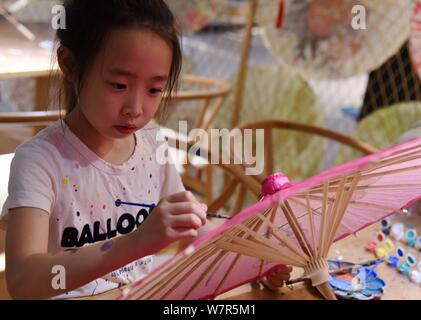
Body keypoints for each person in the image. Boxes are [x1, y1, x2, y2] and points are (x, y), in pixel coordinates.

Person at [0, 0, 291, 299]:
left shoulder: (151, 143)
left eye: (154, 90)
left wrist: (257, 258)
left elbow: (192, 231)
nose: (135, 109)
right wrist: (136, 242)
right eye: (118, 85)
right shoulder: (40, 161)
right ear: (71, 66)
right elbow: (24, 281)